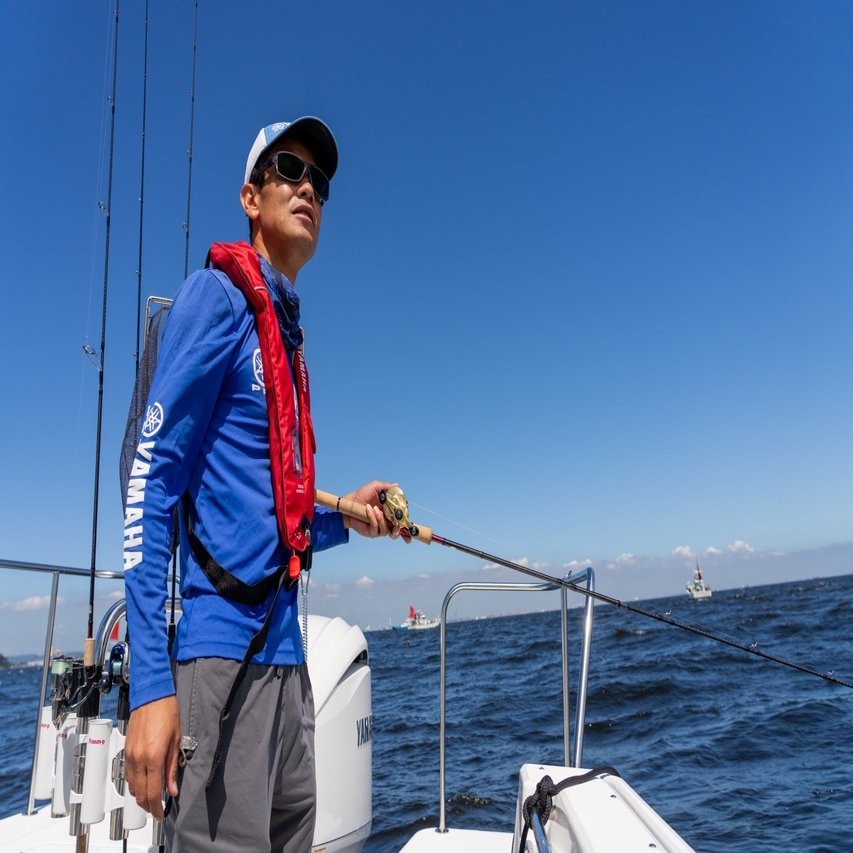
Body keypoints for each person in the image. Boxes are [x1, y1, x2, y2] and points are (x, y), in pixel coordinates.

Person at [123, 116, 399, 851]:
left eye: (321, 181)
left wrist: (348, 516)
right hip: (220, 658)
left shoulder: (286, 338)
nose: (309, 188)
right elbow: (151, 479)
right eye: (290, 169)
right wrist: (150, 684)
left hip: (288, 662)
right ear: (251, 196)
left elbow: (274, 511)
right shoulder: (215, 299)